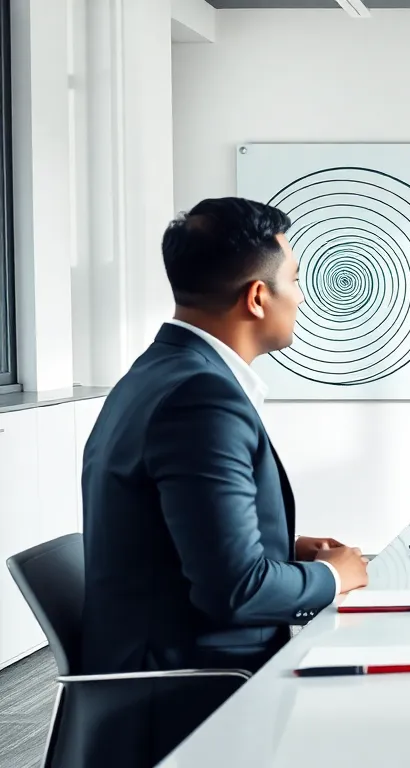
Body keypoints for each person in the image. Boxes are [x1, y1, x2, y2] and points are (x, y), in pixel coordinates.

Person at [82, 198, 369, 679]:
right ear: (257, 297)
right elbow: (236, 591)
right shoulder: (202, 399)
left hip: (176, 669)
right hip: (197, 694)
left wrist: (282, 545)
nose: (301, 297)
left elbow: (166, 532)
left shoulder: (156, 372)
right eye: (295, 281)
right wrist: (333, 575)